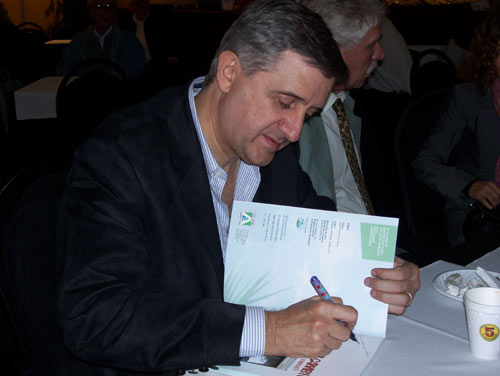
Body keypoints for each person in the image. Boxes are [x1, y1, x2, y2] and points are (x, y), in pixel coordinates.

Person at [56, 1, 420, 374]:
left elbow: (322, 230)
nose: (294, 132)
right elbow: (95, 318)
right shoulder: (122, 157)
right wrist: (270, 331)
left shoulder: (273, 154)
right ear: (229, 72)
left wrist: (379, 272)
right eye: (284, 102)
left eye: (308, 114)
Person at [413, 8, 500, 247]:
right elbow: (425, 161)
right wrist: (469, 186)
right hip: (481, 218)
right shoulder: (468, 98)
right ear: (489, 57)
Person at [298, 0, 385, 215]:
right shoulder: (295, 124)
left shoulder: (348, 108)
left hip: (368, 237)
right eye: (370, 46)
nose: (380, 55)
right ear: (335, 52)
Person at [57, 0, 145, 77]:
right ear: (91, 11)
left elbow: (139, 72)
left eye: (108, 6)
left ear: (114, 11)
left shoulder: (129, 40)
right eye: (98, 6)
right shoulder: (79, 40)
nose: (104, 11)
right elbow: (64, 69)